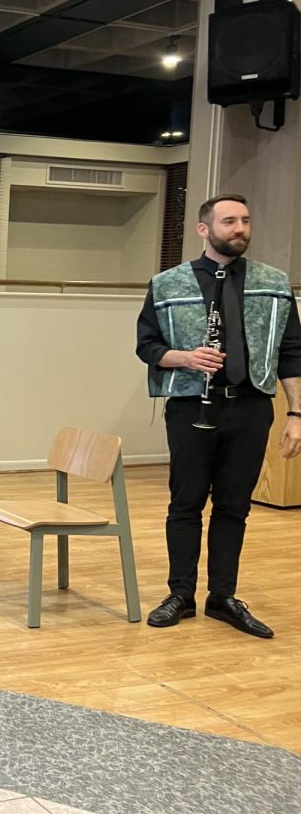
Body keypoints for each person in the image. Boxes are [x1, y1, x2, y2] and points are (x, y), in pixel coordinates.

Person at [136, 194, 301, 639]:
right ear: (204, 229)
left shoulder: (273, 282)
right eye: (229, 221)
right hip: (191, 407)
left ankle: (223, 596)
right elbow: (146, 346)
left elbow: (291, 352)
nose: (240, 228)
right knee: (186, 504)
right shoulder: (168, 282)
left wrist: (297, 413)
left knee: (234, 506)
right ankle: (180, 594)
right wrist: (185, 358)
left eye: (245, 221)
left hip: (250, 408)